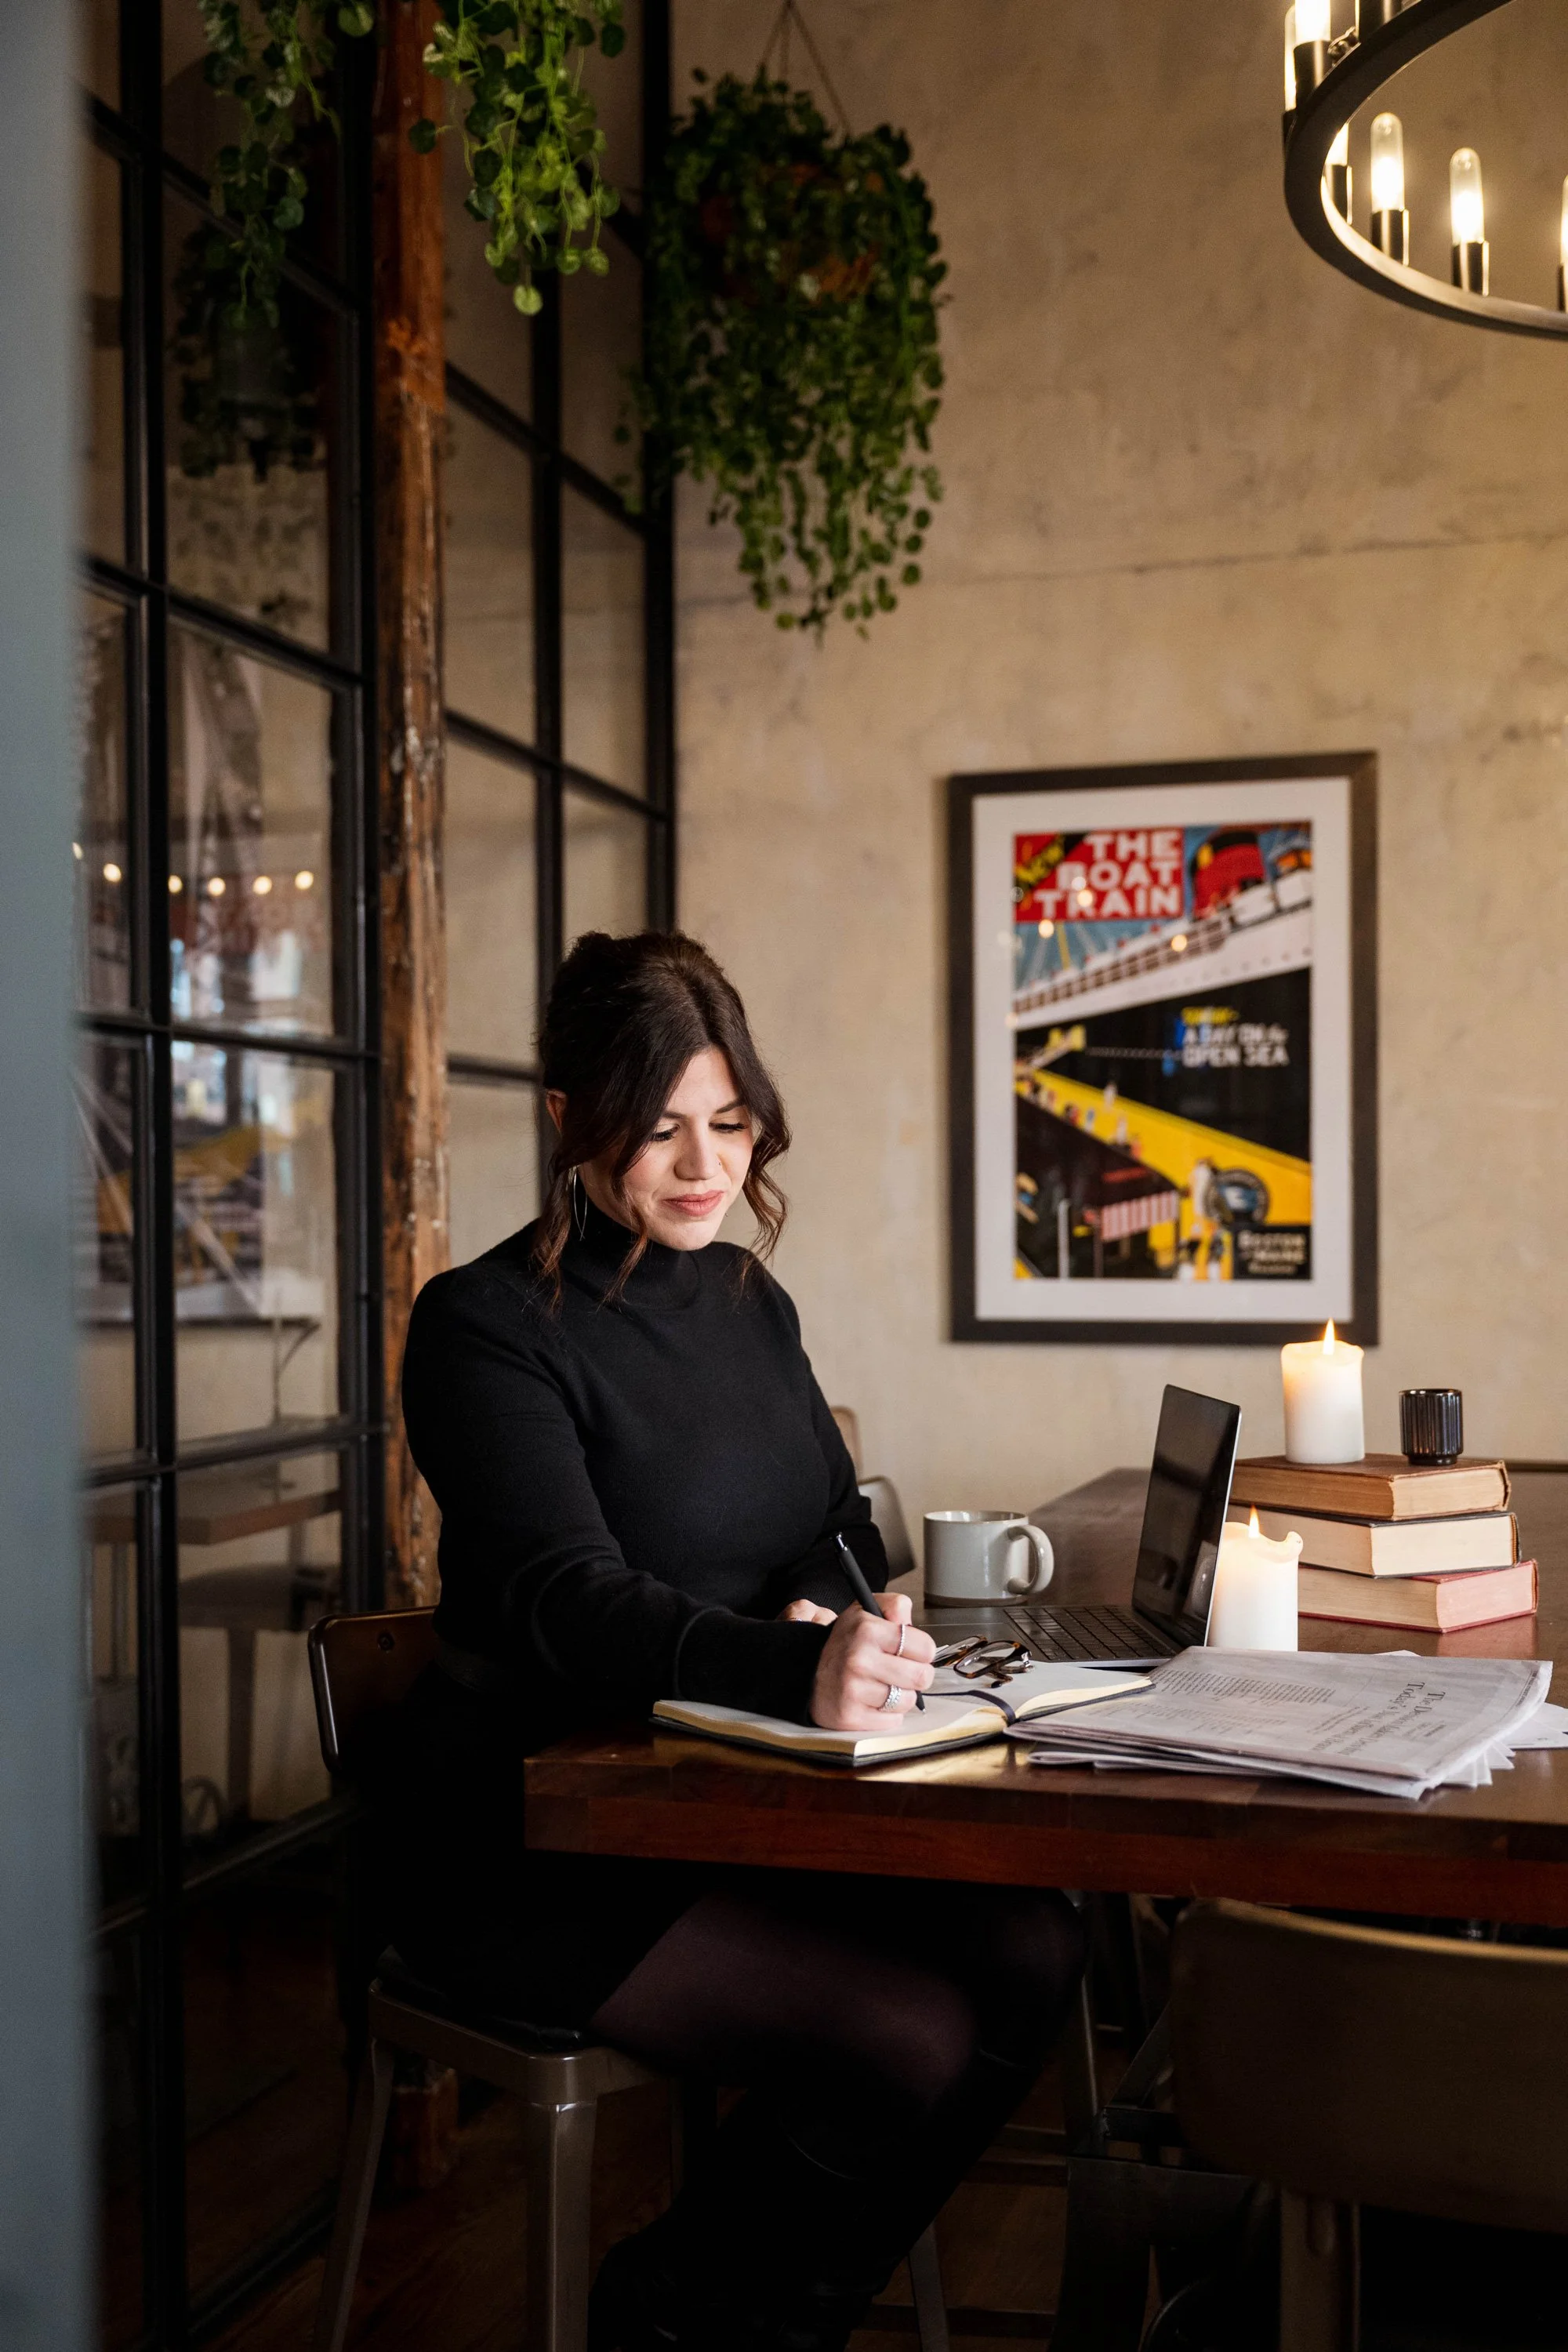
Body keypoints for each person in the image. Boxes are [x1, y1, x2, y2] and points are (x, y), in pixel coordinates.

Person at [382, 930, 1086, 2352]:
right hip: (536, 1833)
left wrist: (845, 1608)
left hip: (726, 1795)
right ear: (570, 1119)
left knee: (1037, 1943)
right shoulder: (484, 1327)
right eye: (660, 1132)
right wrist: (789, 1664)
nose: (706, 1169)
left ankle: (758, 2302)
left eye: (730, 1123)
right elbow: (563, 1599)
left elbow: (831, 1522)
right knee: (903, 2038)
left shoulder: (752, 1304)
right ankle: (683, 2308)